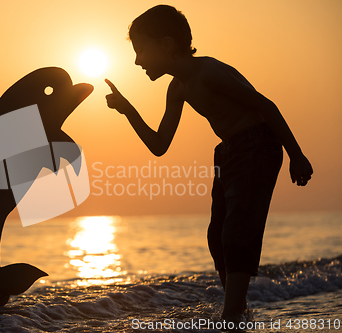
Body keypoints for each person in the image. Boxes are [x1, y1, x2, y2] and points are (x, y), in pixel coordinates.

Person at [105, 4, 313, 324]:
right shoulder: (178, 88)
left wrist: (296, 155)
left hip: (258, 145)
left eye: (141, 49)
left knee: (237, 232)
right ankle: (238, 311)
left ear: (166, 44)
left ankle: (232, 314)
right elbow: (160, 146)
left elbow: (265, 105)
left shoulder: (208, 72)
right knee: (217, 237)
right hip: (228, 153)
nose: (137, 60)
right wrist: (127, 109)